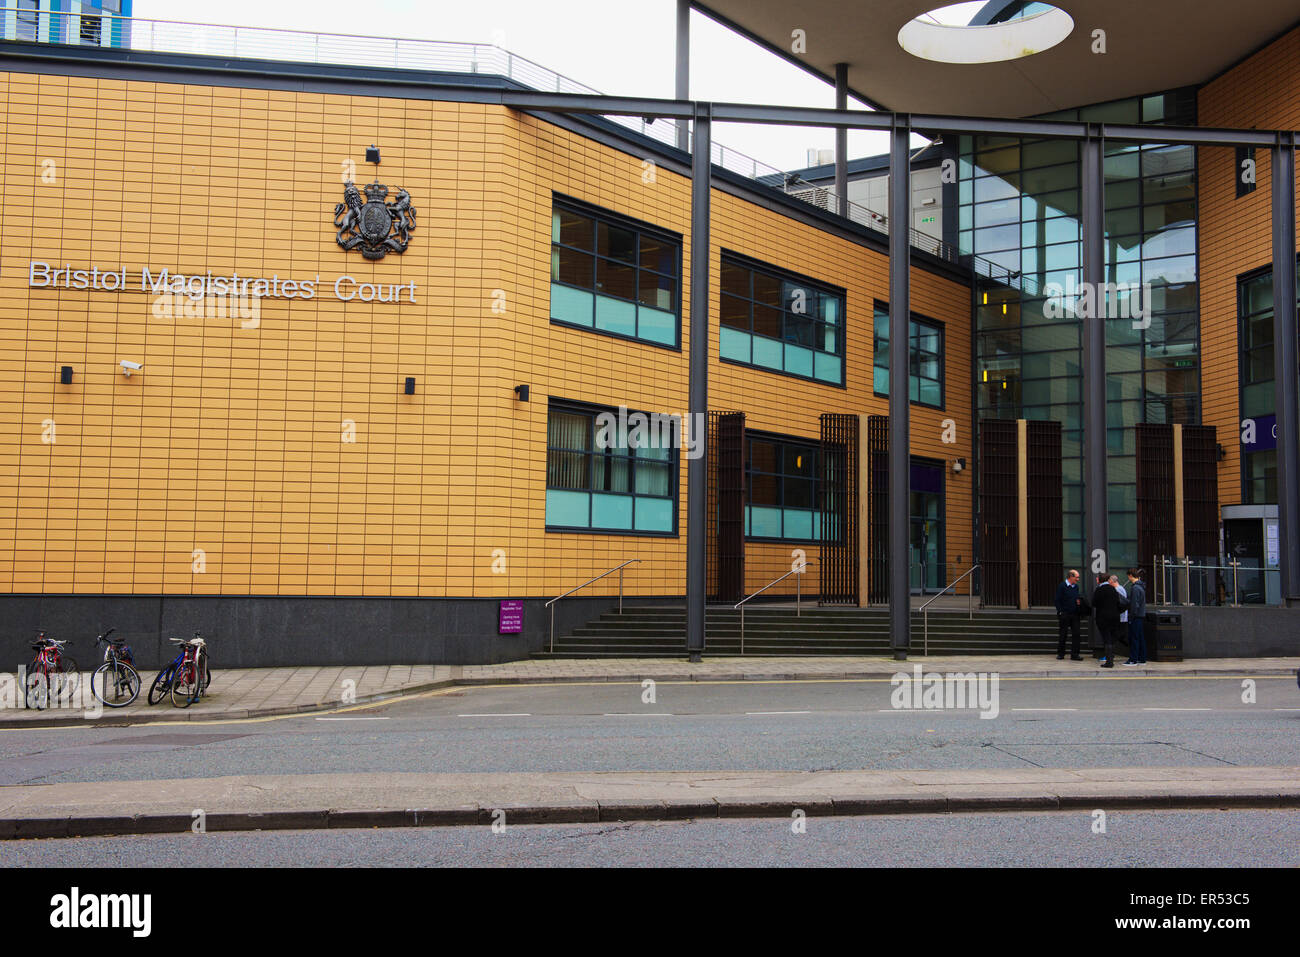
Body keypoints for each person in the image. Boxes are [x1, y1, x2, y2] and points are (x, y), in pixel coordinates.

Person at [1091, 574, 1122, 668]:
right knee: (1111, 638)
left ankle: (1109, 661)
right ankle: (1111, 657)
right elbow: (1118, 602)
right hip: (1115, 617)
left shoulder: (1099, 590)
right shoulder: (1113, 589)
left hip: (1103, 618)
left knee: (1106, 638)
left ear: (1100, 580)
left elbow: (1094, 603)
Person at [1054, 568, 1085, 660]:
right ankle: (1061, 653)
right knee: (1063, 634)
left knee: (1076, 634)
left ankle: (1075, 654)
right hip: (1065, 614)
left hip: (1075, 614)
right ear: (1071, 576)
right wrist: (1060, 611)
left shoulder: (1076, 587)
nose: (1078, 579)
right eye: (1077, 577)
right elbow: (1057, 600)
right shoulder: (1062, 586)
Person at [1124, 568, 1148, 665]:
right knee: (1140, 637)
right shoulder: (1141, 586)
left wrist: (1131, 616)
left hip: (1136, 616)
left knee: (1134, 638)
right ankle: (1142, 658)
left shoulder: (1135, 588)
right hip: (1140, 615)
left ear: (1130, 575)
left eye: (1128, 576)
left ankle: (1133, 659)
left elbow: (1134, 605)